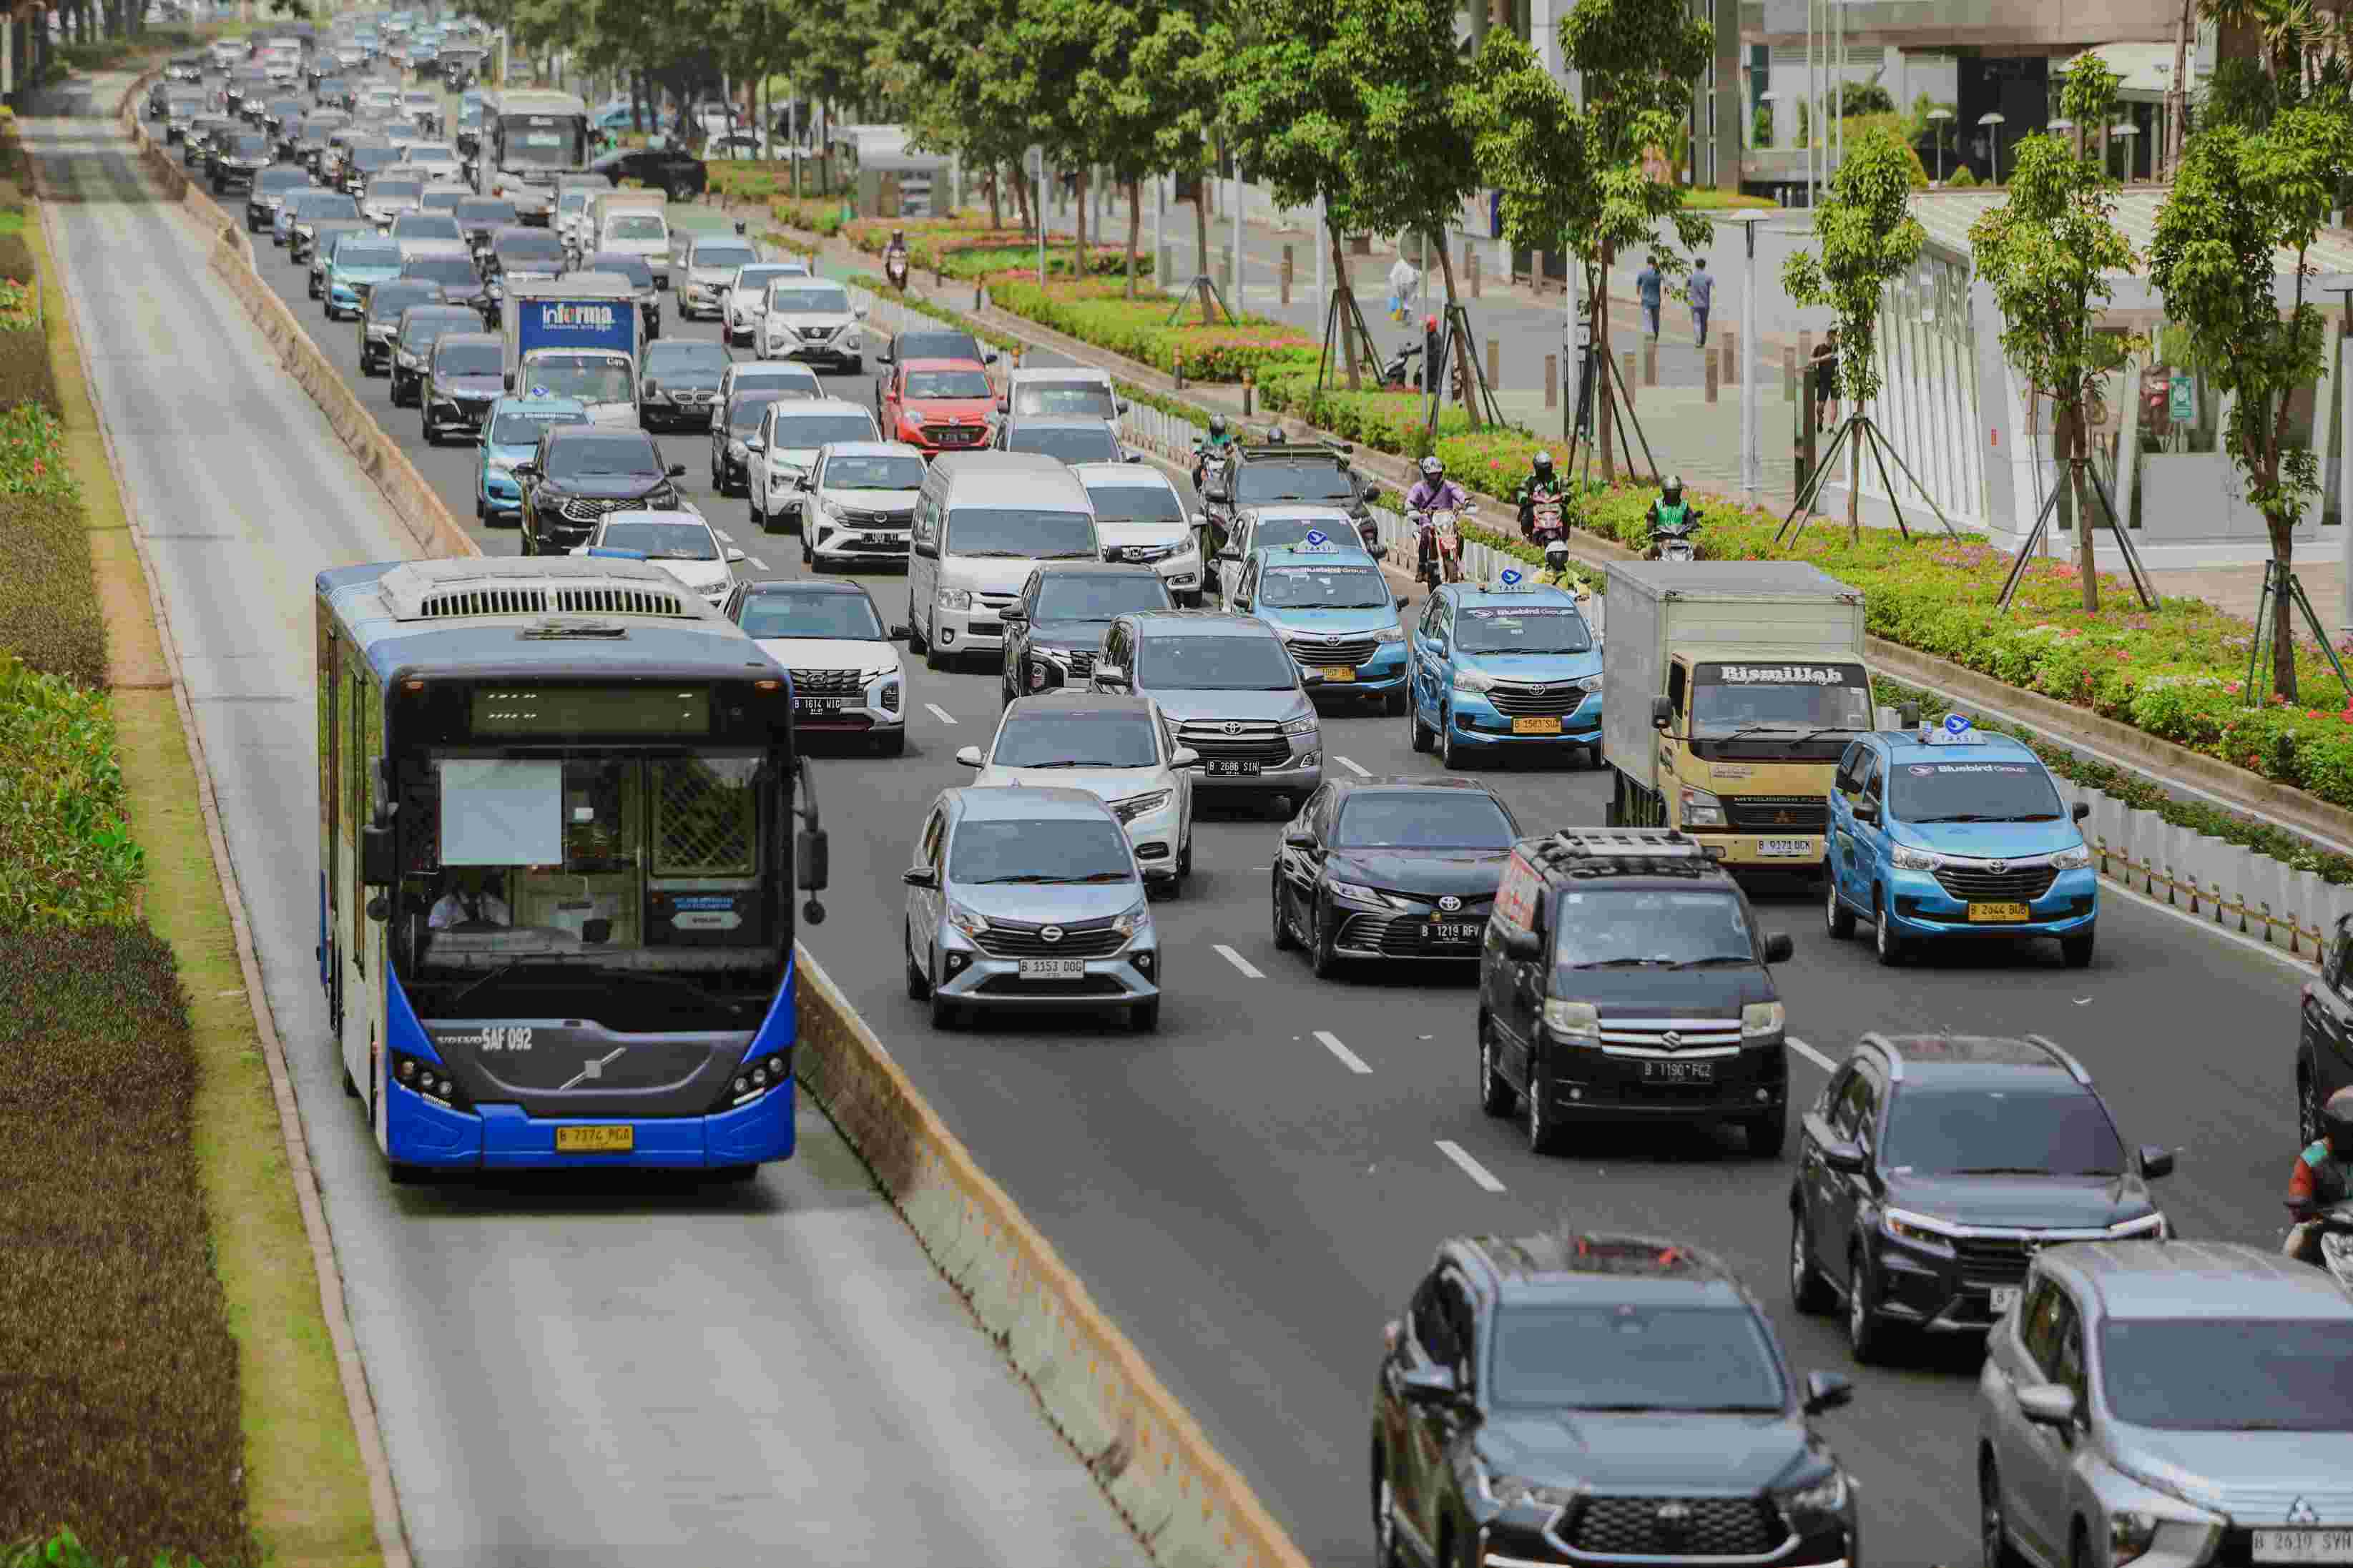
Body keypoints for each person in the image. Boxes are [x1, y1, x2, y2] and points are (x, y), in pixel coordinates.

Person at [2286, 1087, 2353, 1264]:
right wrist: (2302, 1202)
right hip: (2324, 1226)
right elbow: (2300, 1185)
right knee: (2293, 1247)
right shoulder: (2314, 1156)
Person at [1406, 455, 1470, 578]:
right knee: (1425, 537)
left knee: (1460, 537)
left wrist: (1465, 502)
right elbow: (1410, 501)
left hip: (1447, 522)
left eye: (1436, 473)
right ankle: (1421, 565)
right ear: (1425, 474)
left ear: (1441, 473)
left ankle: (1458, 561)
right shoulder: (1419, 487)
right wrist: (1411, 508)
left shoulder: (1447, 485)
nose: (1434, 477)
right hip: (1428, 522)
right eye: (1431, 474)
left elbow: (1459, 494)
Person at [429, 870, 511, 930]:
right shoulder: (443, 906)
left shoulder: (498, 906)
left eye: (478, 872)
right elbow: (436, 938)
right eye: (468, 872)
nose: (473, 877)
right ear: (460, 875)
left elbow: (506, 936)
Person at [1514, 450, 1567, 540]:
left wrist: (1566, 495)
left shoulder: (1557, 479)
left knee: (1565, 514)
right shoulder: (1530, 479)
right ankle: (1529, 535)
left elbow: (1565, 488)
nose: (1544, 471)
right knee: (1527, 514)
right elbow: (1522, 489)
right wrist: (1523, 497)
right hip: (1536, 506)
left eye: (1546, 468)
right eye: (1542, 468)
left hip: (1554, 506)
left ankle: (1564, 536)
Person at [1646, 474, 1699, 539]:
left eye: (1675, 492)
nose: (1672, 494)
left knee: (1698, 548)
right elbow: (1651, 518)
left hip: (1681, 539)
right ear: (1664, 491)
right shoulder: (1657, 504)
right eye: (1670, 492)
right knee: (1647, 550)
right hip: (1660, 540)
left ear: (1679, 491)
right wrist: (1650, 526)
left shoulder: (1684, 505)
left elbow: (1690, 517)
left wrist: (1693, 523)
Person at [1812, 329, 1841, 430]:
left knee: (1834, 404)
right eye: (1833, 340)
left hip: (1836, 381)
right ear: (1828, 338)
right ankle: (1820, 419)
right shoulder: (1820, 348)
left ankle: (1831, 427)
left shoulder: (1838, 349)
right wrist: (1824, 358)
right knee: (1820, 406)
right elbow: (1811, 361)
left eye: (1835, 340)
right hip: (1823, 381)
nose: (1834, 342)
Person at [1688, 258, 1714, 347]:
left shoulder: (1691, 277)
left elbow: (1686, 288)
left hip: (1694, 304)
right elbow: (1714, 289)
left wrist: (1689, 300)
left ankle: (1698, 341)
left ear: (1696, 265)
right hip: (1705, 304)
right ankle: (1703, 340)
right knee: (1704, 322)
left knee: (1696, 322)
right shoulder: (1708, 277)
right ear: (1704, 266)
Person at [1636, 257, 1664, 340]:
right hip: (1656, 302)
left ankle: (1649, 338)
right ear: (1655, 263)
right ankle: (1655, 336)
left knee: (1647, 320)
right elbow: (1665, 285)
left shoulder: (1642, 273)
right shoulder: (1658, 273)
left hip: (1646, 302)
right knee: (1656, 321)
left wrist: (1639, 294)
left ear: (1647, 263)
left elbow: (1638, 285)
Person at [1387, 252, 1418, 323]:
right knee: (1408, 301)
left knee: (1404, 301)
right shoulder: (1412, 263)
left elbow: (1393, 276)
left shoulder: (1400, 263)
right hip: (1410, 284)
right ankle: (1407, 315)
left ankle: (1405, 315)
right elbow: (1417, 275)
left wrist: (1395, 286)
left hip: (1403, 284)